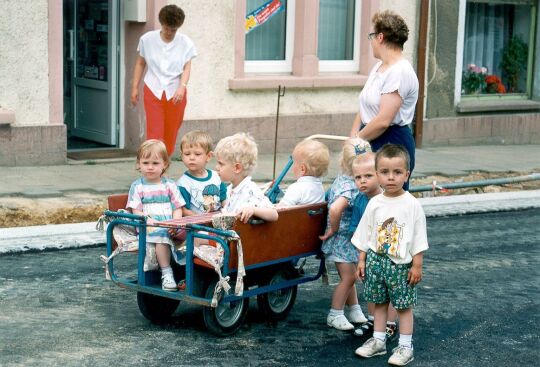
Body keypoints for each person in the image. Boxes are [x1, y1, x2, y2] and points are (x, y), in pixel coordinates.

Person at [352, 144, 428, 366]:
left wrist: (417, 265)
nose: (391, 178)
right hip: (376, 261)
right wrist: (361, 259)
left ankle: (405, 346)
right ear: (377, 174)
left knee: (403, 306)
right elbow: (365, 233)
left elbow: (419, 238)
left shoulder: (412, 205)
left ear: (407, 174)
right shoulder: (375, 203)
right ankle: (378, 341)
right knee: (379, 303)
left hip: (401, 266)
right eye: (385, 172)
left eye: (397, 172)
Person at [350, 10, 418, 190]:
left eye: (371, 36)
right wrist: (353, 137)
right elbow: (364, 107)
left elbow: (383, 120)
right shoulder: (380, 67)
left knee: (388, 205)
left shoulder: (399, 71)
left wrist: (357, 140)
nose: (370, 42)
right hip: (369, 137)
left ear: (380, 37)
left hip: (390, 143)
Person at [131, 4, 197, 156]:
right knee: (155, 131)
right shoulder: (147, 39)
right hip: (153, 88)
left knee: (171, 129)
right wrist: (134, 87)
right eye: (167, 28)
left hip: (176, 91)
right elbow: (140, 63)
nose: (169, 32)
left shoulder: (185, 42)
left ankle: (164, 164)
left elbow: (187, 67)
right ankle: (152, 165)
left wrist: (182, 86)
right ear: (162, 24)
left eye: (173, 30)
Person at [320, 138, 370, 331]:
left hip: (346, 239)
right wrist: (333, 229)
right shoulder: (351, 185)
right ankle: (335, 313)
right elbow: (335, 208)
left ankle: (355, 309)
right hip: (341, 238)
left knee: (351, 275)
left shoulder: (346, 178)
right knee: (349, 277)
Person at [348, 153, 398, 340]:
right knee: (372, 289)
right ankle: (372, 319)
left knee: (391, 288)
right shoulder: (360, 201)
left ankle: (390, 323)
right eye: (358, 177)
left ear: (379, 174)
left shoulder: (389, 199)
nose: (362, 181)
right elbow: (356, 229)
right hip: (368, 254)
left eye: (368, 176)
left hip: (389, 254)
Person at [126, 139, 185, 291]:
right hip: (148, 227)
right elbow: (136, 211)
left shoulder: (169, 185)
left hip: (170, 225)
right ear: (139, 164)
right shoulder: (138, 186)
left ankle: (186, 273)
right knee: (161, 234)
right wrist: (149, 221)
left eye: (155, 163)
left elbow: (178, 207)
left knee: (191, 234)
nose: (150, 167)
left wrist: (175, 222)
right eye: (145, 163)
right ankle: (167, 272)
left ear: (164, 164)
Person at [214, 133, 278, 224]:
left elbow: (274, 214)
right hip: (231, 234)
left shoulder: (250, 190)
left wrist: (253, 209)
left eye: (221, 164)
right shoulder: (231, 188)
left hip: (238, 236)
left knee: (197, 236)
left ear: (237, 168)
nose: (216, 167)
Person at [176, 131, 227, 215]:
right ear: (182, 156)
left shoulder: (217, 176)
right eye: (187, 154)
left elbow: (224, 199)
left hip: (220, 221)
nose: (191, 157)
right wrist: (201, 220)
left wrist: (227, 213)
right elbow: (184, 210)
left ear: (208, 156)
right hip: (198, 225)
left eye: (197, 154)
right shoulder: (182, 184)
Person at [277, 139, 330, 207]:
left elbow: (281, 209)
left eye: (294, 163)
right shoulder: (320, 188)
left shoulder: (296, 188)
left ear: (302, 169)